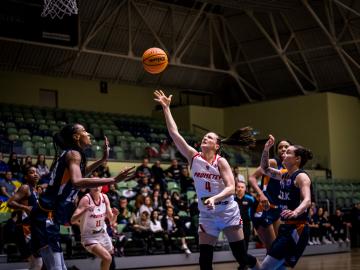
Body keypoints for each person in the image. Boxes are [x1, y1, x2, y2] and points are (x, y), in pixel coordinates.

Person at [154, 90, 258, 270]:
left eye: (209, 137)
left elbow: (231, 188)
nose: (205, 137)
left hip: (227, 212)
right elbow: (174, 133)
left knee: (241, 256)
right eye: (205, 136)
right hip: (207, 215)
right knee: (204, 261)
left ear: (216, 146)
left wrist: (214, 198)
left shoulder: (221, 162)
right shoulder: (193, 157)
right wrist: (166, 108)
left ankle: (256, 265)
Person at [30, 123, 134, 270]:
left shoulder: (72, 153)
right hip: (45, 216)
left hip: (48, 215)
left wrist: (102, 160)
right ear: (76, 136)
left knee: (45, 266)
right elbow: (78, 181)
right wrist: (113, 180)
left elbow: (80, 174)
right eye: (84, 131)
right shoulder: (73, 154)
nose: (88, 134)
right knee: (55, 267)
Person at [257, 135, 312, 270]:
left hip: (297, 229)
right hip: (286, 228)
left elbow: (307, 200)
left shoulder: (301, 177)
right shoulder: (284, 174)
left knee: (267, 266)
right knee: (277, 266)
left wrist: (295, 212)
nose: (284, 154)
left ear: (297, 159)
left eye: (288, 152)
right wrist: (266, 148)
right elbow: (265, 169)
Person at [248, 139, 291, 251]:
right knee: (272, 249)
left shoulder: (292, 169)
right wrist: (261, 194)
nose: (283, 149)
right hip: (263, 207)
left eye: (286, 146)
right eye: (280, 147)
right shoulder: (273, 162)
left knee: (280, 248)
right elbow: (252, 178)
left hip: (277, 209)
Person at [71, 186, 118, 270]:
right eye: (94, 186)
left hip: (103, 234)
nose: (97, 188)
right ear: (89, 187)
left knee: (111, 261)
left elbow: (112, 221)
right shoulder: (86, 199)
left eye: (99, 185)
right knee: (107, 258)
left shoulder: (104, 197)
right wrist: (84, 210)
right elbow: (73, 220)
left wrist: (115, 215)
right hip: (89, 236)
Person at [7, 166, 43, 270]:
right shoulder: (25, 188)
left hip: (32, 228)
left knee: (34, 264)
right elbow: (10, 203)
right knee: (38, 262)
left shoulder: (36, 190)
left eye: (36, 172)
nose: (35, 174)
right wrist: (25, 207)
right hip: (24, 228)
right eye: (32, 172)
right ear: (26, 177)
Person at [234, 180, 256, 251]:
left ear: (245, 189)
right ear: (236, 188)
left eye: (242, 187)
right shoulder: (232, 199)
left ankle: (244, 258)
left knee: (245, 242)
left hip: (246, 224)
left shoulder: (250, 199)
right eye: (238, 187)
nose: (240, 189)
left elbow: (255, 212)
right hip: (235, 225)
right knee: (236, 243)